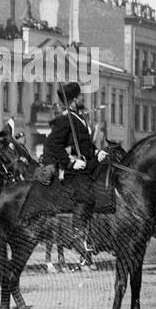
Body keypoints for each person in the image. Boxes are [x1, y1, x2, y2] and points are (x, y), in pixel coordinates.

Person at [42, 81, 107, 255]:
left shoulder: (78, 117)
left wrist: (97, 152)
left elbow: (85, 143)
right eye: (79, 96)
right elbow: (51, 144)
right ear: (73, 100)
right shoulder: (65, 120)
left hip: (88, 165)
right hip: (75, 172)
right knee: (86, 197)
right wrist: (70, 162)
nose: (82, 98)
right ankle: (78, 235)